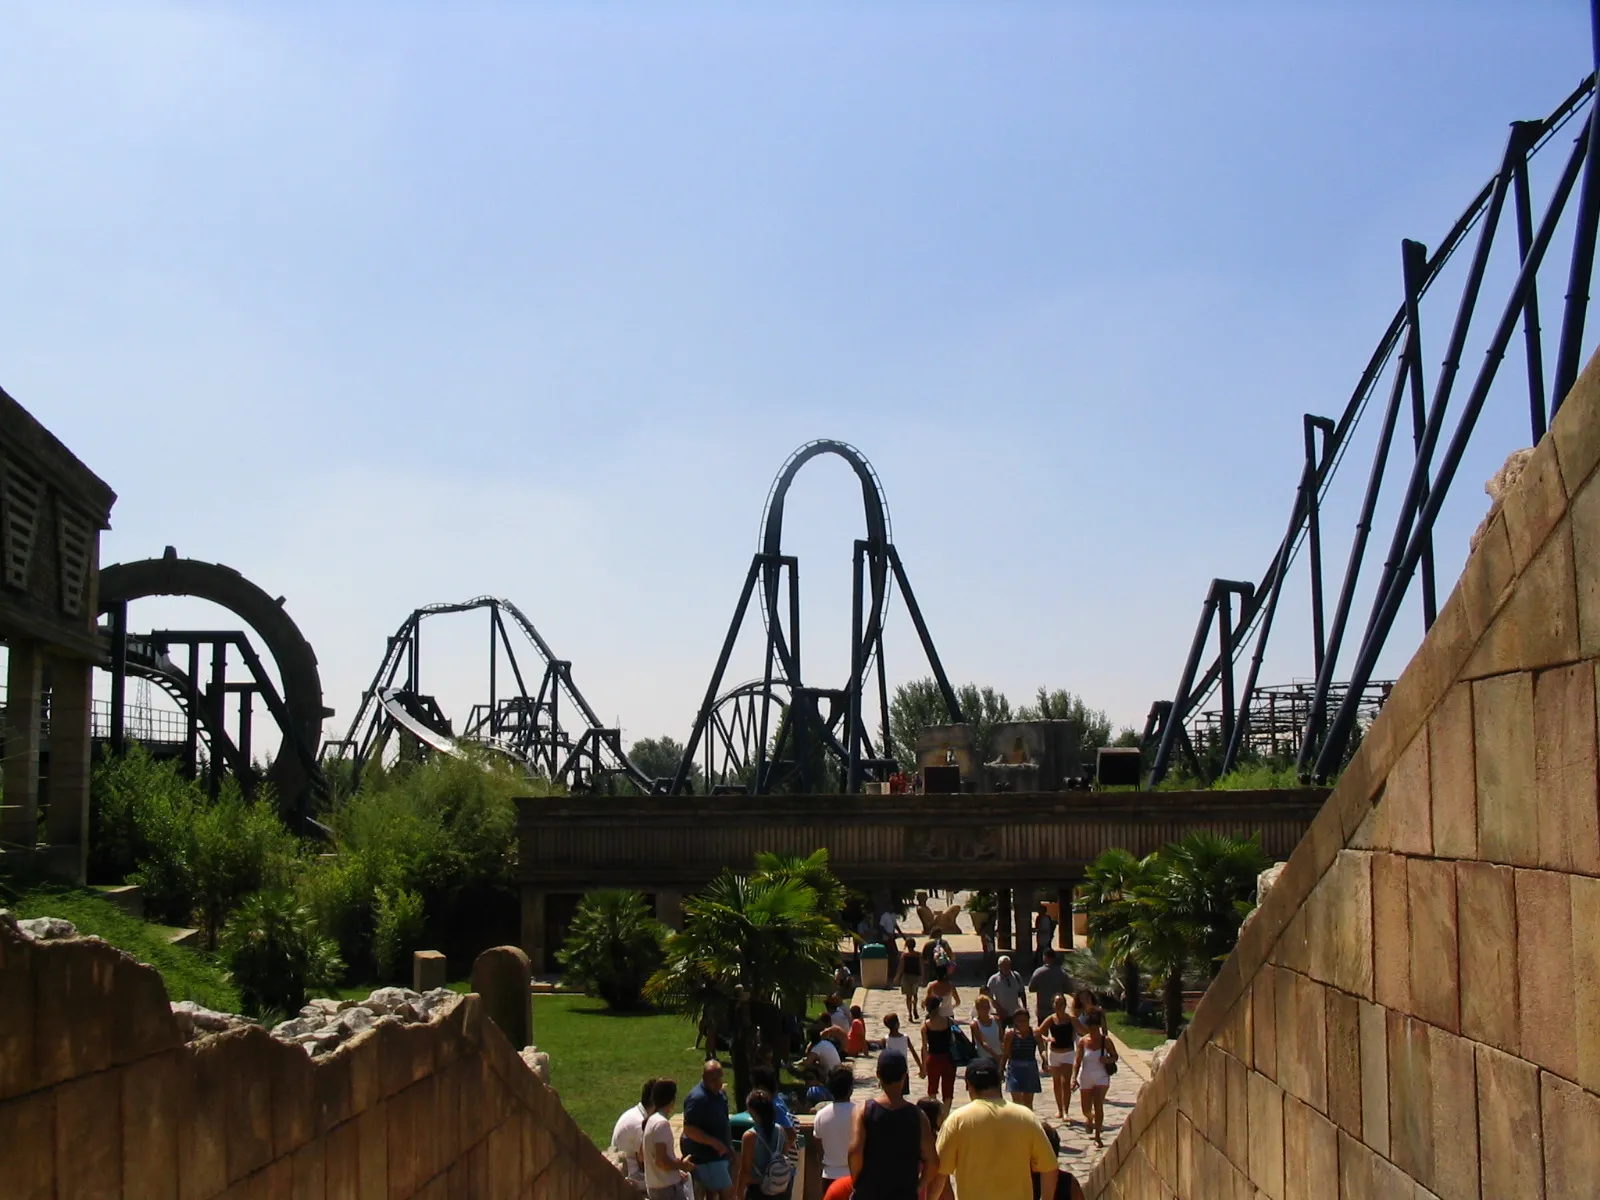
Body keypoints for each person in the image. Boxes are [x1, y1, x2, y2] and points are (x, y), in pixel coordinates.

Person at [929, 1057, 1057, 1200]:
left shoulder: (957, 1120)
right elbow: (1049, 1167)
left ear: (968, 1086)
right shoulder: (1026, 1117)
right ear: (998, 1083)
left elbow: (939, 1174)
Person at [847, 1053, 939, 1200]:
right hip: (904, 1194)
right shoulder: (918, 1115)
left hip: (869, 1193)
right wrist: (917, 1187)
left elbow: (855, 1152)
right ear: (905, 1076)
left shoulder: (863, 1111)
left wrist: (859, 1182)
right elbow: (933, 1162)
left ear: (878, 1074)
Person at [681, 1061, 735, 1199]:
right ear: (704, 1077)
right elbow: (689, 1130)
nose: (718, 1083)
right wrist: (714, 1143)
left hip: (720, 1155)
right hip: (707, 1158)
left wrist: (729, 1145)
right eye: (713, 1080)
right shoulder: (697, 1099)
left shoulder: (719, 1094)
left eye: (720, 1078)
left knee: (712, 1194)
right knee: (727, 1194)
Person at [733, 1090, 792, 1200]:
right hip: (779, 1188)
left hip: (758, 1190)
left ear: (752, 1111)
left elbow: (745, 1169)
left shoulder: (750, 1136)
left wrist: (739, 1194)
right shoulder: (781, 1131)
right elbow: (784, 1157)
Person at [1070, 1011, 1116, 1148]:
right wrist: (1073, 1078)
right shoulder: (1083, 1042)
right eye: (1091, 1027)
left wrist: (1107, 1059)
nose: (1093, 1030)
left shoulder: (1106, 1040)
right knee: (1086, 1109)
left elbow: (1115, 1056)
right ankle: (1090, 1118)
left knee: (1098, 1105)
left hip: (1101, 1077)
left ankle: (1097, 1136)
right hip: (1086, 1077)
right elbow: (1077, 1061)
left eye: (1096, 1027)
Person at [644, 1079, 695, 1200]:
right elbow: (661, 1161)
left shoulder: (651, 1121)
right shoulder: (662, 1124)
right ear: (672, 1100)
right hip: (667, 1189)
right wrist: (682, 1165)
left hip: (655, 1186)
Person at [811, 1066, 857, 1182]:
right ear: (851, 1089)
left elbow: (819, 1148)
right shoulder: (859, 1113)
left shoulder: (821, 1115)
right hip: (854, 1175)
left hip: (829, 1175)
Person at [612, 1077, 658, 1192]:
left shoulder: (635, 1113)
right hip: (629, 1177)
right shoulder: (640, 1124)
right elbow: (644, 1163)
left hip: (624, 1169)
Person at [1037, 994, 1077, 1121]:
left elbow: (1083, 1030)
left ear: (1065, 1005)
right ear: (1053, 1005)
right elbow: (1038, 1032)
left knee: (1065, 1082)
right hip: (1054, 1053)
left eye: (1061, 1004)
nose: (1059, 1006)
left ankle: (1066, 1111)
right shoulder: (1051, 1019)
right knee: (1056, 1083)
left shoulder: (1071, 1019)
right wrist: (1046, 1039)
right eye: (1057, 1003)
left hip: (1068, 1053)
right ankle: (1059, 1109)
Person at [919, 988, 957, 1110]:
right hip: (948, 1058)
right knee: (948, 1091)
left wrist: (923, 1067)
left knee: (932, 1089)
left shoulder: (925, 1026)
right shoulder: (948, 1021)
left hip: (933, 1058)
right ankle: (945, 1115)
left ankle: (935, 1117)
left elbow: (924, 1048)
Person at [1001, 1008, 1044, 1109]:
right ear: (1015, 1021)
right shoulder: (1010, 1034)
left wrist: (1045, 1060)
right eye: (1020, 1021)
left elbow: (1042, 1049)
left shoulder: (1034, 1033)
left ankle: (1028, 1122)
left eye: (1025, 1020)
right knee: (1017, 1101)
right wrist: (1001, 1068)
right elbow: (1006, 1053)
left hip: (1030, 1068)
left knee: (1028, 1102)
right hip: (1015, 1068)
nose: (1023, 1023)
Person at [1027, 949, 1071, 1024]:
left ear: (1044, 957)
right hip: (1058, 1009)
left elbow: (1031, 988)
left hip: (1042, 1009)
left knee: (1042, 1032)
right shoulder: (1062, 973)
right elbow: (1068, 989)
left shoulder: (1039, 972)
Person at [986, 955, 1027, 1023]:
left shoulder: (1016, 976)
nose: (1006, 967)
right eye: (1003, 965)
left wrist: (1024, 1008)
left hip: (1015, 1012)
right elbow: (989, 996)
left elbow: (1022, 992)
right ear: (999, 967)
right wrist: (999, 1008)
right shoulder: (994, 979)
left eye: (1007, 965)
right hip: (1001, 1014)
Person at [892, 937, 923, 1021]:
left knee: (908, 997)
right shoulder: (918, 955)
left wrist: (897, 977)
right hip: (916, 976)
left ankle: (910, 1014)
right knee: (915, 995)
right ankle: (915, 1008)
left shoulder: (904, 955)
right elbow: (921, 966)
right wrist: (923, 976)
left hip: (906, 977)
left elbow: (901, 967)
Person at [970, 995, 1005, 1062]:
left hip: (999, 1054)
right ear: (977, 1008)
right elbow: (983, 1043)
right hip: (984, 1058)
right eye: (983, 1007)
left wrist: (1004, 1053)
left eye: (987, 1006)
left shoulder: (996, 1019)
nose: (986, 1009)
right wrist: (995, 1056)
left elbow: (1001, 1038)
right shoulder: (975, 1024)